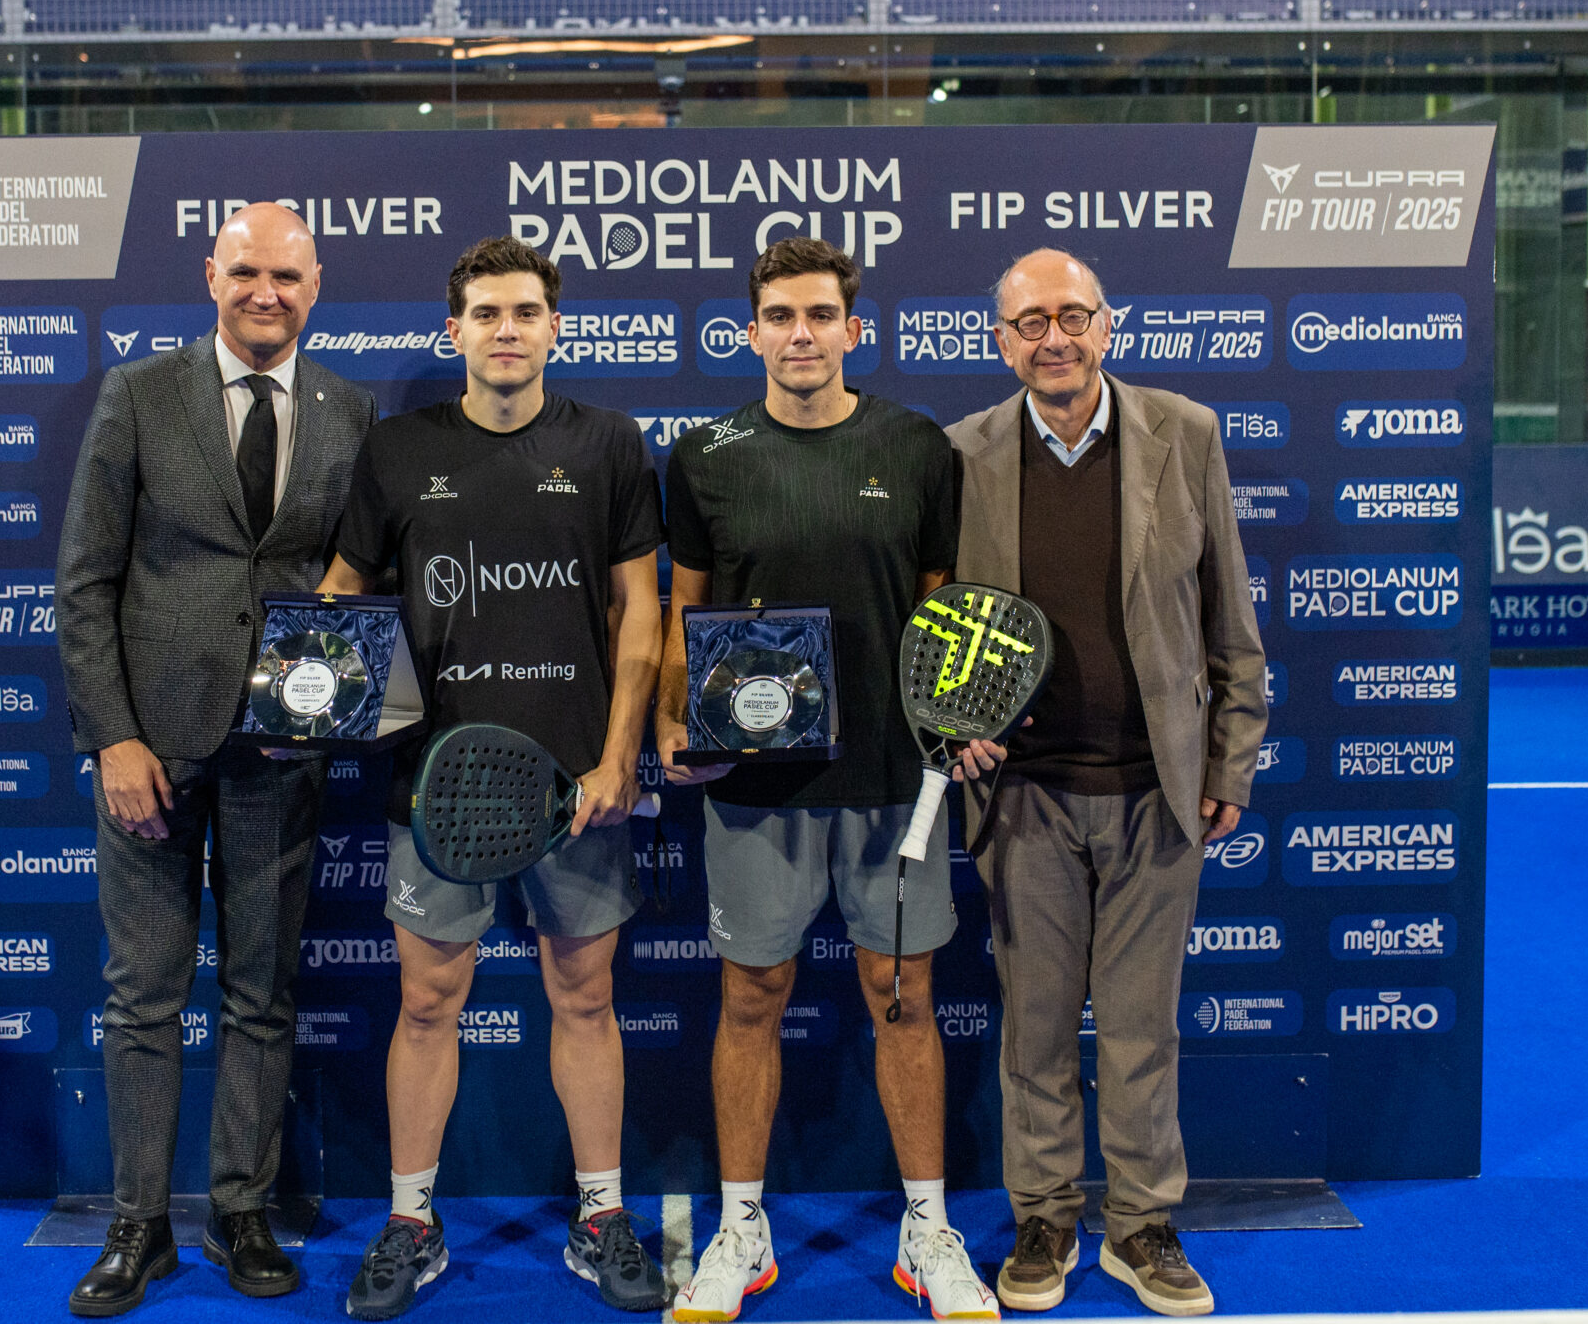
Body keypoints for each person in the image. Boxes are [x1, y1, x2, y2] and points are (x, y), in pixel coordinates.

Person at [317, 235, 670, 1321]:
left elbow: (640, 614)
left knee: (586, 994)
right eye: (485, 312)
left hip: (579, 788)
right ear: (454, 330)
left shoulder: (609, 444)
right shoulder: (393, 450)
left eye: (525, 310)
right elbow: (341, 592)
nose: (506, 328)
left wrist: (618, 756)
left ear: (555, 326)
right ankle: (412, 1220)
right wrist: (313, 684)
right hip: (437, 792)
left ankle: (601, 1212)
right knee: (426, 1002)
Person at [655, 237, 990, 1324]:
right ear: (750, 331)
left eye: (820, 314)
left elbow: (940, 603)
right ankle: (740, 1227)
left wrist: (952, 721)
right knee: (750, 994)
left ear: (856, 328)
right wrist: (675, 715)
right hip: (755, 784)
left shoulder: (916, 446)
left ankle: (927, 1226)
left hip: (898, 779)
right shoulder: (703, 453)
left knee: (904, 996)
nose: (801, 333)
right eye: (780, 315)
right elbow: (684, 610)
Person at [56, 203, 376, 1318]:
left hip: (282, 754)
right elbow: (86, 580)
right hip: (151, 749)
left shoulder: (350, 409)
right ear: (210, 273)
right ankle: (139, 1221)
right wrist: (114, 736)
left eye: (286, 274)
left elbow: (351, 582)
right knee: (143, 993)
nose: (265, 292)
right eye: (245, 270)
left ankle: (242, 1207)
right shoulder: (137, 394)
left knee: (260, 990)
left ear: (316, 282)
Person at [943, 248, 1265, 1319]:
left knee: (1140, 1028)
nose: (1054, 338)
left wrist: (1230, 758)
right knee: (1034, 1028)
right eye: (1029, 322)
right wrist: (953, 732)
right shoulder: (961, 455)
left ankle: (1138, 1224)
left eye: (1071, 315)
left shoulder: (1185, 431)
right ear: (1001, 341)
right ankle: (1044, 1215)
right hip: (1024, 798)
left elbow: (1230, 618)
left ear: (1107, 324)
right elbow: (936, 633)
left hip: (1155, 793)